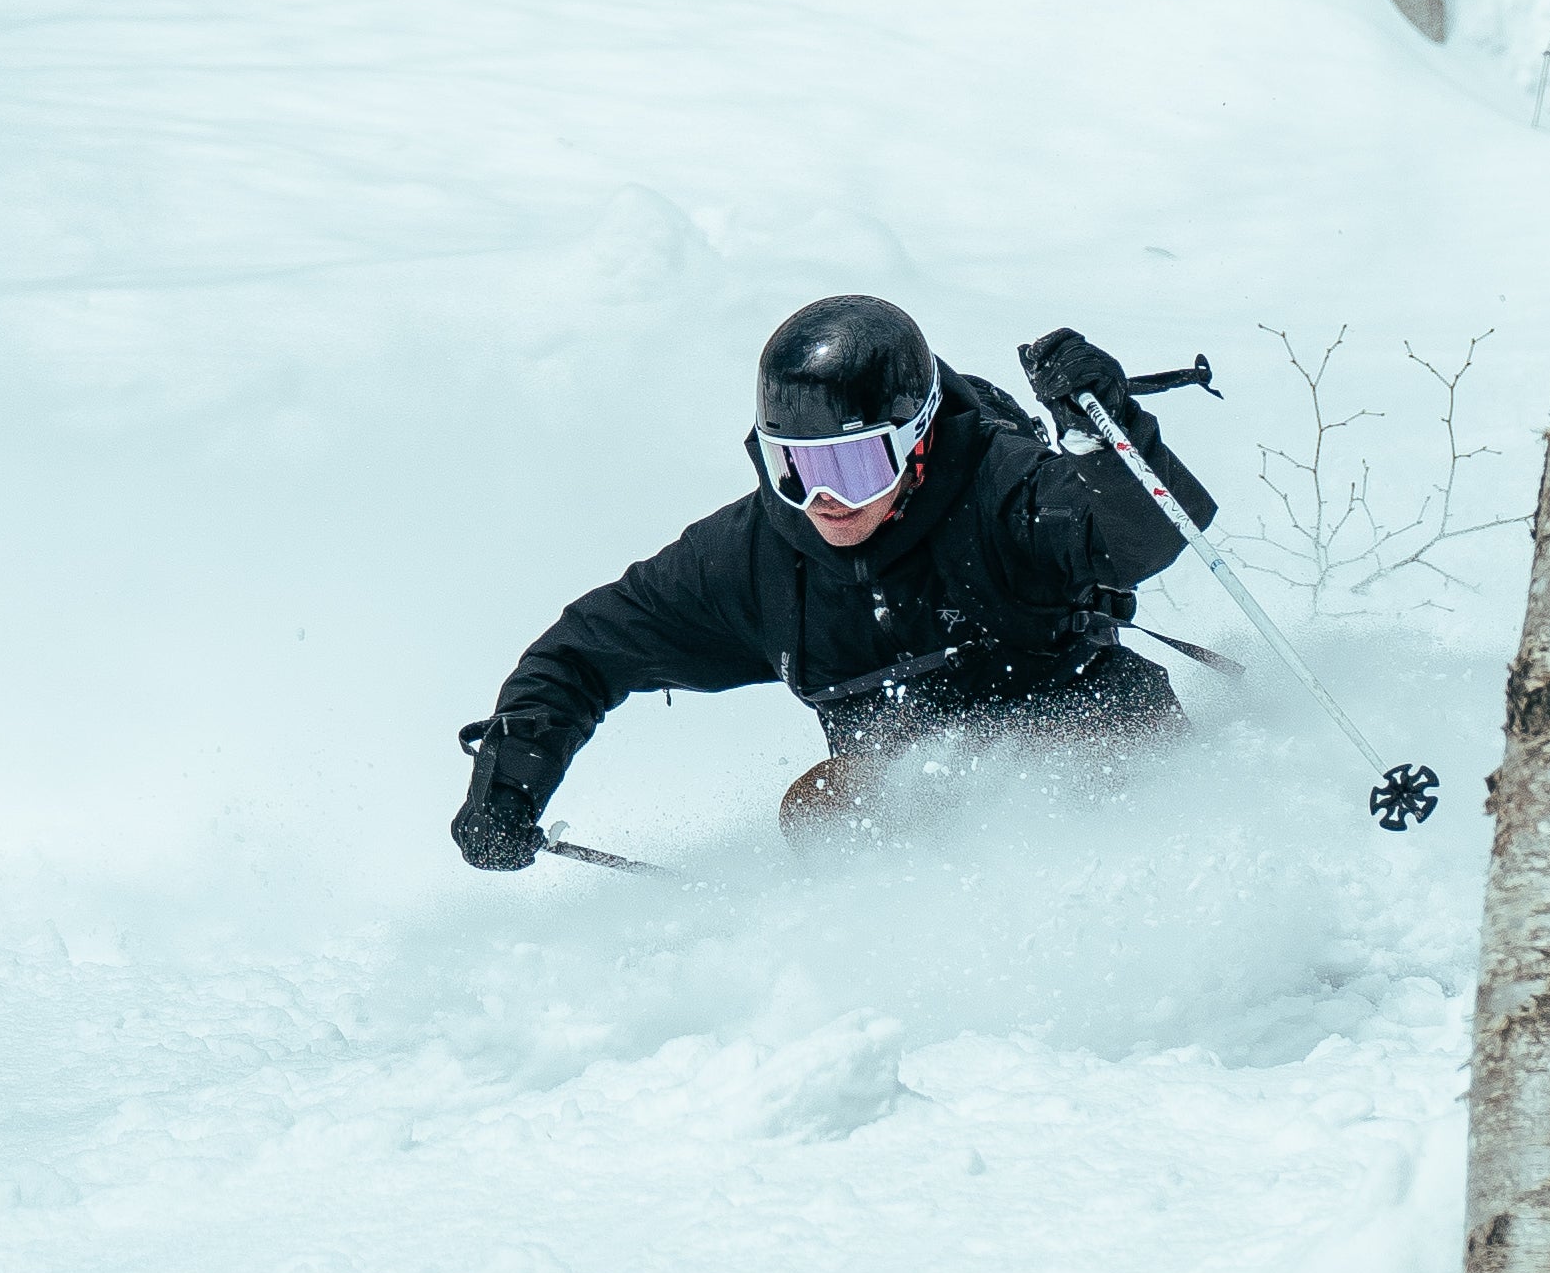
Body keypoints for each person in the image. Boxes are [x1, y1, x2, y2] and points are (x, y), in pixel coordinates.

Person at [451, 295, 1218, 870]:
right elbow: (586, 649)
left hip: (1106, 767)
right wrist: (511, 775)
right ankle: (907, 979)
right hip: (927, 833)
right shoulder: (758, 556)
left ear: (917, 447)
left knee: (1077, 753)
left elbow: (1145, 535)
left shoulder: (1000, 489)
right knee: (822, 804)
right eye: (796, 468)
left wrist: (1106, 438)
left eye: (854, 467)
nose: (825, 500)